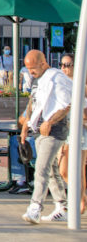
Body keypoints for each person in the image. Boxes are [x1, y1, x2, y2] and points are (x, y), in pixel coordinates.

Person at [21, 50, 73, 224]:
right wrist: (25, 125)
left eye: (33, 69)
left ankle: (35, 207)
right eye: (28, 69)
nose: (31, 73)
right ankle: (62, 206)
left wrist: (50, 122)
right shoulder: (38, 79)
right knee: (50, 170)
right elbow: (32, 102)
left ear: (43, 63)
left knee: (41, 169)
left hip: (55, 130)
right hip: (39, 130)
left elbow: (67, 104)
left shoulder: (57, 78)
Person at [57, 53, 87, 215]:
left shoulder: (82, 85)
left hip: (80, 131)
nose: (64, 68)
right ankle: (81, 198)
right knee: (64, 170)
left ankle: (79, 200)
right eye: (62, 65)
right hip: (65, 131)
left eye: (68, 65)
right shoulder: (63, 84)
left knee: (77, 169)